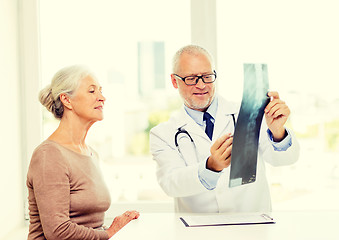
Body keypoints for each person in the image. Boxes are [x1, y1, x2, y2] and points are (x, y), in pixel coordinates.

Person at [149, 45, 300, 213]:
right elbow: (171, 184)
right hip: (199, 232)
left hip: (252, 228)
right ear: (174, 81)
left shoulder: (250, 114)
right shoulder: (162, 134)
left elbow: (286, 159)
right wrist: (211, 166)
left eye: (207, 76)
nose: (201, 85)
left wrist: (278, 132)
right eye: (191, 78)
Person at [26, 65, 139, 240]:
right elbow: (58, 232)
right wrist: (108, 233)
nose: (102, 98)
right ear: (67, 100)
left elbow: (89, 226)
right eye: (92, 91)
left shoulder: (91, 154)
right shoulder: (49, 155)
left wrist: (118, 226)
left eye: (100, 91)